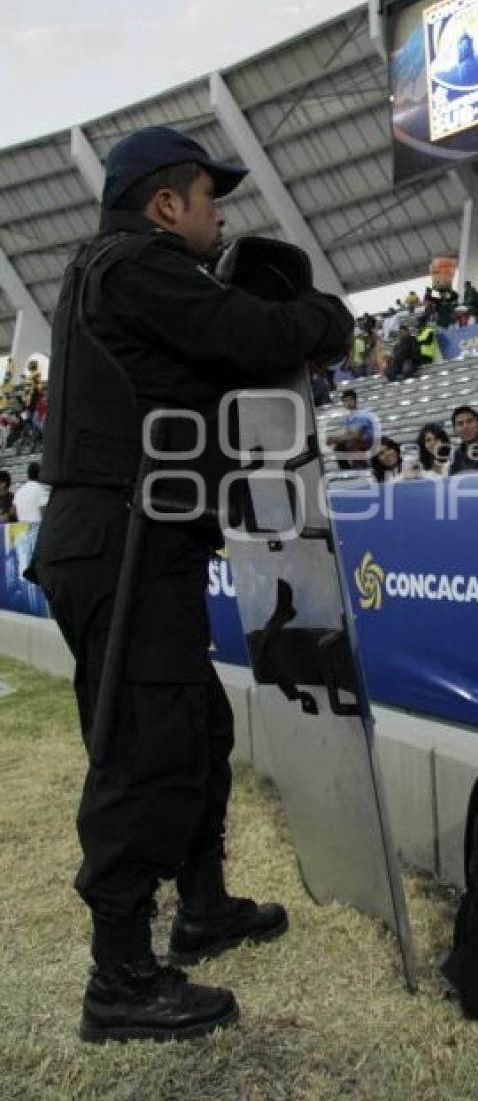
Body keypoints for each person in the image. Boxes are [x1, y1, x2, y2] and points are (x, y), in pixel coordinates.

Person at [31, 126, 353, 1044]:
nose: (220, 217)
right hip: (118, 538)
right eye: (212, 199)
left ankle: (202, 907)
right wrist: (329, 319)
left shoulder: (117, 270)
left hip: (136, 536)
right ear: (168, 205)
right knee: (145, 746)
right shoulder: (136, 262)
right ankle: (119, 976)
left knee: (198, 727)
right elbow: (250, 335)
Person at [327, 389, 375, 470]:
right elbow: (346, 434)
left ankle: (360, 468)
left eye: (350, 400)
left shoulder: (362, 414)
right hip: (360, 442)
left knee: (352, 442)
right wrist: (334, 439)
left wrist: (336, 439)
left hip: (371, 441)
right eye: (345, 401)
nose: (348, 403)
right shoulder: (347, 418)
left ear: (355, 401)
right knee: (339, 447)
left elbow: (357, 435)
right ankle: (345, 470)